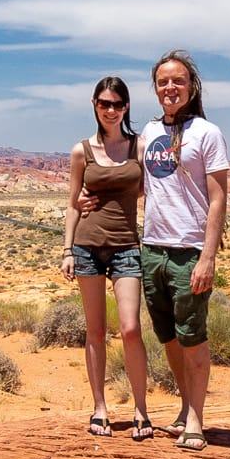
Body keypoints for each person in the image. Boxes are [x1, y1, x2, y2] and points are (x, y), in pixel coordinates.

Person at [137, 50, 229, 451]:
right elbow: (140, 186)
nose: (170, 88)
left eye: (177, 81)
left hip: (188, 249)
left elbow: (219, 196)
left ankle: (196, 416)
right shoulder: (147, 132)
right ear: (155, 89)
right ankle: (182, 403)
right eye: (163, 82)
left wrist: (207, 255)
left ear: (191, 87)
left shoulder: (207, 133)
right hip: (152, 248)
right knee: (168, 336)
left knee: (193, 336)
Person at [59, 77, 154, 439]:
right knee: (95, 330)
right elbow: (72, 204)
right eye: (104, 103)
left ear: (126, 107)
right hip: (87, 246)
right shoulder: (81, 151)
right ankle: (100, 408)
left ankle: (141, 409)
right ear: (94, 105)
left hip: (127, 246)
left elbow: (151, 190)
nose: (110, 110)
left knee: (130, 328)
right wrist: (67, 250)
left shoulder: (139, 147)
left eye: (117, 104)